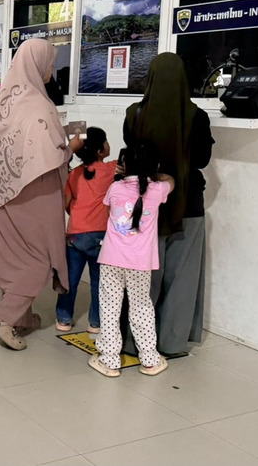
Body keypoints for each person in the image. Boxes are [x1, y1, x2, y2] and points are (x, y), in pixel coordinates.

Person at [0, 38, 84, 351]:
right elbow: (49, 156)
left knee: (13, 255)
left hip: (1, 192)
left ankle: (22, 317)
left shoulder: (2, 101)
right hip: (33, 193)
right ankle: (3, 317)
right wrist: (71, 149)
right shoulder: (39, 104)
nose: (51, 67)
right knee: (38, 259)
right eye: (49, 61)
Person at [122, 53, 215, 355]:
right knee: (181, 278)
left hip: (144, 206)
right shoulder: (197, 116)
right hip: (187, 205)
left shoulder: (134, 113)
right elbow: (201, 160)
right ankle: (172, 343)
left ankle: (136, 343)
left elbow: (131, 157)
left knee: (143, 277)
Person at [89, 142, 174, 377]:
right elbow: (172, 181)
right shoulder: (157, 190)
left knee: (109, 308)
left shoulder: (114, 189)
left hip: (112, 259)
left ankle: (109, 360)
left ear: (124, 165)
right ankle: (149, 359)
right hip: (140, 263)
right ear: (153, 166)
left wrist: (124, 175)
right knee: (141, 308)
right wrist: (153, 173)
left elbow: (109, 213)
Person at [56, 127, 115, 334]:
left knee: (70, 279)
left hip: (75, 233)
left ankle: (63, 319)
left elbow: (66, 203)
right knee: (100, 282)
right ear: (101, 150)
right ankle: (95, 323)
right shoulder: (110, 171)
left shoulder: (74, 175)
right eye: (106, 142)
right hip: (101, 235)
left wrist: (76, 217)